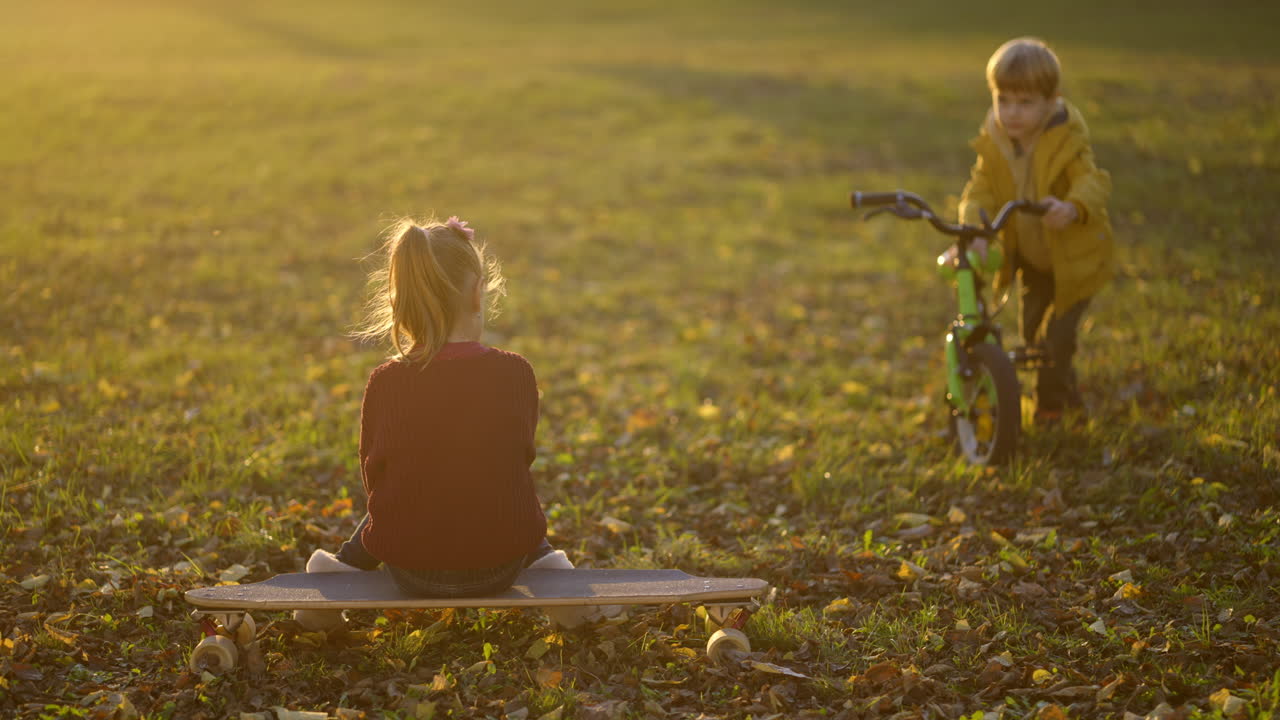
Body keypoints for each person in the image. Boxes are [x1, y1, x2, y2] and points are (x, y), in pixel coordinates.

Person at [296, 216, 598, 630]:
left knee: (404, 487)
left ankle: (342, 570)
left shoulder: (387, 382)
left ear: (401, 302)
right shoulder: (515, 373)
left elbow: (375, 476)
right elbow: (519, 457)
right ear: (477, 294)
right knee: (499, 485)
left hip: (410, 568)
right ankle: (555, 573)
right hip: (500, 564)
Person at [958, 37, 1114, 425]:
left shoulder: (1066, 138)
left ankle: (1050, 408)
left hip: (1074, 260)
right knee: (1032, 334)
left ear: (1051, 100)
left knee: (1055, 337)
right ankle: (1066, 384)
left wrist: (1071, 207)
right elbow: (980, 188)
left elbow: (1092, 181)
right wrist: (975, 228)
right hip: (1032, 259)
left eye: (1025, 103)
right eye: (1003, 100)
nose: (1012, 113)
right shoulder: (996, 140)